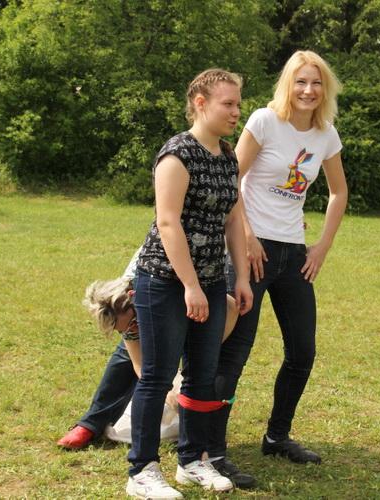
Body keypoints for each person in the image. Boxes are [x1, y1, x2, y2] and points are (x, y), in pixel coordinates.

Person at [209, 50, 348, 472]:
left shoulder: (326, 134)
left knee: (302, 351)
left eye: (317, 82)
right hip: (250, 251)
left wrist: (321, 246)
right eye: (301, 81)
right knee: (234, 351)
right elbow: (231, 178)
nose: (308, 90)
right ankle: (210, 446)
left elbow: (339, 191)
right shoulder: (265, 120)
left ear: (325, 89)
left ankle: (277, 436)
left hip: (293, 254)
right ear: (289, 84)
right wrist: (248, 235)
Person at [126, 68, 252, 500]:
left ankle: (192, 461)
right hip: (164, 280)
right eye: (228, 104)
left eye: (238, 104)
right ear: (200, 103)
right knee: (157, 376)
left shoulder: (228, 157)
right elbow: (168, 222)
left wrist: (242, 277)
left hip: (213, 281)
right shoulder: (177, 154)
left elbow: (234, 220)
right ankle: (142, 470)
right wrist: (190, 287)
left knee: (201, 375)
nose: (236, 112)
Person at [56, 250, 240, 449]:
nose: (133, 330)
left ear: (134, 298)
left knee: (207, 360)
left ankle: (208, 434)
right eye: (126, 330)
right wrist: (169, 390)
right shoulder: (126, 309)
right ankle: (91, 423)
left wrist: (202, 351)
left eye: (134, 323)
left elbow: (230, 307)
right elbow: (141, 365)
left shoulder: (161, 288)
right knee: (127, 353)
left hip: (202, 277)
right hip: (164, 293)